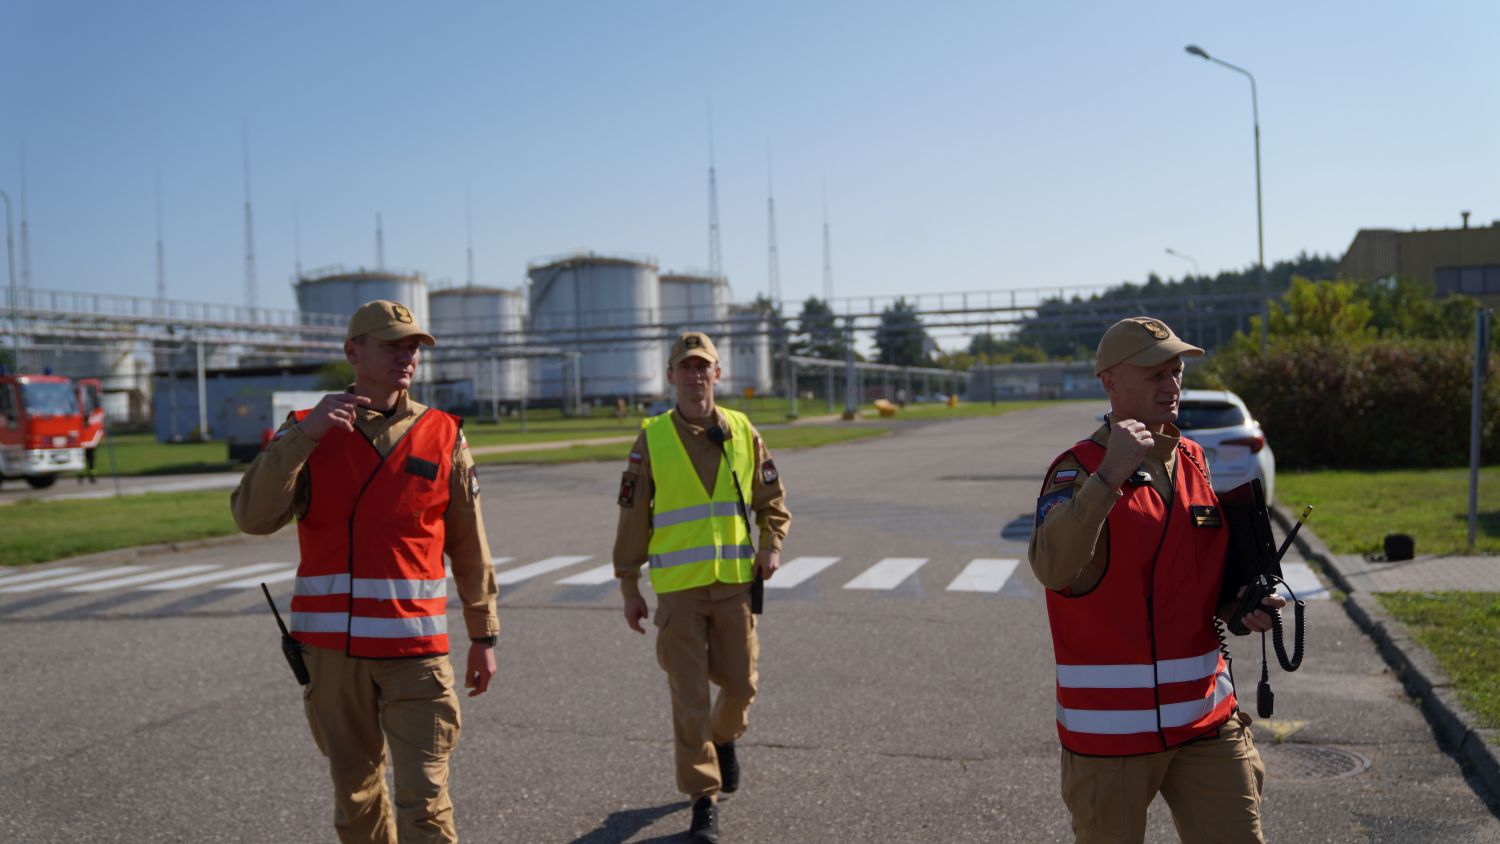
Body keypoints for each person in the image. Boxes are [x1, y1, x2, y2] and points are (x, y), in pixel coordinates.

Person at [231, 299, 499, 844]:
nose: (407, 356)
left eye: (413, 347)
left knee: (426, 801)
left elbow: (470, 545)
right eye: (392, 345)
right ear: (353, 352)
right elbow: (252, 517)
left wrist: (483, 633)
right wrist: (305, 436)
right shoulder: (306, 430)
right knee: (356, 799)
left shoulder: (443, 433)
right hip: (332, 655)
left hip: (416, 652)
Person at [1028, 316, 1285, 844]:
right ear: (1110, 382)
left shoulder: (1193, 460)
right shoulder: (1078, 469)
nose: (1171, 384)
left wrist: (1240, 604)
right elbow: (1052, 567)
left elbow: (1197, 578)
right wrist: (1110, 476)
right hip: (1111, 734)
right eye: (1154, 373)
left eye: (1176, 371)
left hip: (1205, 717)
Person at [613, 331, 791, 844]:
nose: (695, 375)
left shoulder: (741, 429)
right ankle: (703, 799)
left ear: (718, 373)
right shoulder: (652, 439)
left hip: (735, 586)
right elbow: (632, 517)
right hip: (680, 594)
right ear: (671, 375)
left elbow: (771, 499)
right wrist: (629, 585)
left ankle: (724, 736)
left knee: (740, 686)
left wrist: (771, 544)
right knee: (689, 699)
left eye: (702, 366)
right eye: (685, 367)